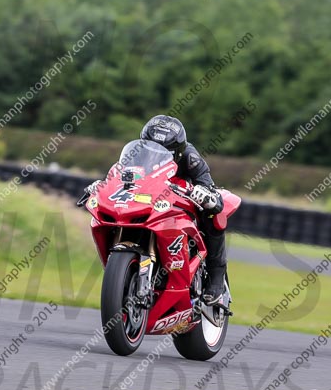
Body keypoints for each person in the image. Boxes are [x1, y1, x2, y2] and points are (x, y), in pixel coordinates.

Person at [87, 115, 228, 306]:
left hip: (183, 201)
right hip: (150, 198)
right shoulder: (136, 154)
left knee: (213, 215)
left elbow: (211, 191)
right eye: (150, 147)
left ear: (178, 152)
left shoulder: (191, 158)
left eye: (163, 151)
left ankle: (216, 281)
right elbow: (120, 176)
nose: (153, 153)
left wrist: (203, 194)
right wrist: (100, 187)